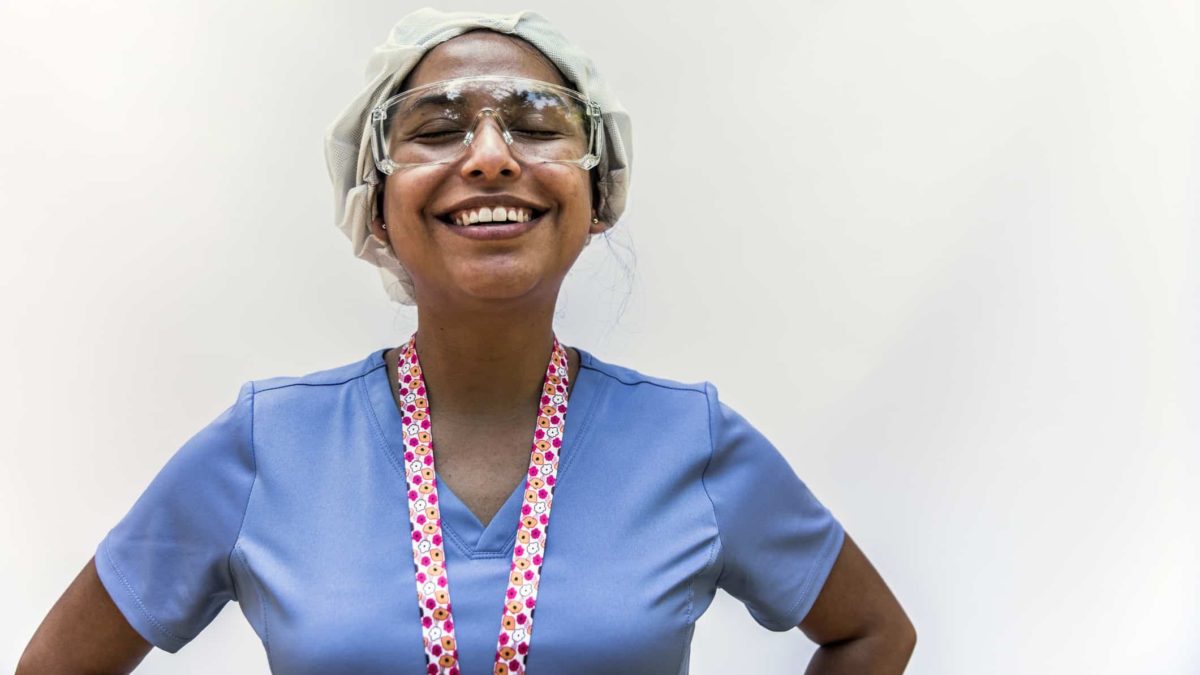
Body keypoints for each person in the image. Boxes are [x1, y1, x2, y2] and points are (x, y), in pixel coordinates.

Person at [18, 9, 915, 674]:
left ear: (597, 193)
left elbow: (872, 633)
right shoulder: (268, 443)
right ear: (373, 203)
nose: (489, 156)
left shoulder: (694, 440)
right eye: (437, 129)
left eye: (535, 124)